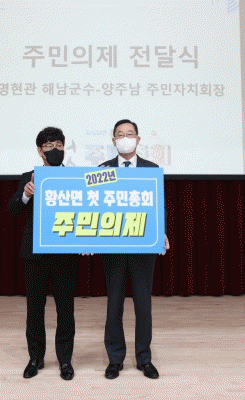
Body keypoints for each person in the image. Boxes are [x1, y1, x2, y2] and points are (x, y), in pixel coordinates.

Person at [99, 119, 170, 380]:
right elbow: (95, 207)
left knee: (143, 304)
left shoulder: (151, 169)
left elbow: (159, 205)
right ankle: (115, 359)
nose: (125, 138)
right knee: (114, 304)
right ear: (113, 140)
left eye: (130, 134)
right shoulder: (103, 170)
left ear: (138, 139)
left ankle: (144, 358)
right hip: (114, 247)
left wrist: (161, 232)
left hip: (142, 246)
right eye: (120, 134)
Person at [8, 127, 80, 381]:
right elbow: (13, 209)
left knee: (66, 310)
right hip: (35, 255)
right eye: (50, 146)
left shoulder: (75, 177)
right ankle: (35, 358)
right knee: (35, 309)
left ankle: (65, 360)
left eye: (59, 145)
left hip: (65, 254)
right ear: (40, 151)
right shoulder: (29, 177)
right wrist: (26, 195)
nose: (55, 150)